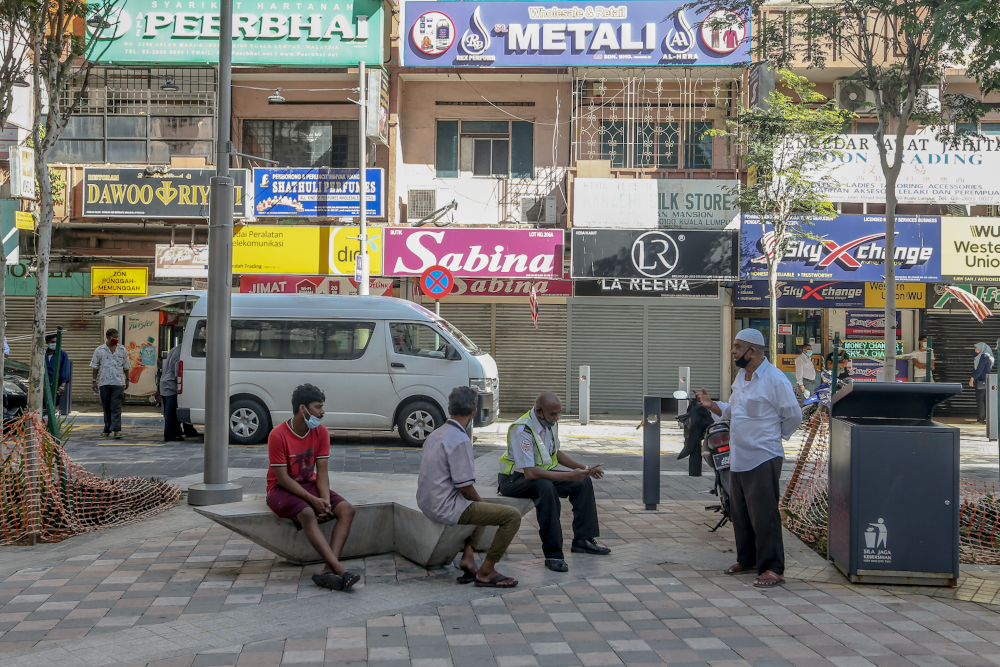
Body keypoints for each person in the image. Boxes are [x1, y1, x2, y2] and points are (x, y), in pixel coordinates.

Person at [693, 328, 802, 588]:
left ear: (752, 351)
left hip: (763, 456)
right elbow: (735, 411)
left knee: (764, 516)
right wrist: (712, 405)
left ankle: (773, 569)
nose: (733, 352)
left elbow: (794, 415)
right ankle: (748, 560)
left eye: (737, 347)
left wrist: (772, 437)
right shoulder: (742, 377)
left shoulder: (775, 380)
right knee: (740, 513)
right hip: (739, 456)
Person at [417, 386, 521, 588]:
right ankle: (487, 571)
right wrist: (480, 501)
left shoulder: (435, 434)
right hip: (444, 506)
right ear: (474, 412)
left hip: (427, 501)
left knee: (483, 507)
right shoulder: (460, 439)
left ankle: (469, 556)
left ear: (449, 409)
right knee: (511, 516)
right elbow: (465, 488)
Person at [498, 391, 609, 573]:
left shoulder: (549, 423)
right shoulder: (522, 429)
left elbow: (555, 453)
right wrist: (568, 476)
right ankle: (553, 554)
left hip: (537, 473)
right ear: (539, 411)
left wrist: (585, 469)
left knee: (582, 483)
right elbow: (531, 473)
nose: (557, 418)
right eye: (553, 414)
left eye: (559, 413)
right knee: (546, 489)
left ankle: (583, 540)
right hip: (513, 479)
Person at [266, 383, 359, 591]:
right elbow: (282, 479)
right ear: (303, 409)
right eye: (318, 407)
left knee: (347, 510)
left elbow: (322, 472)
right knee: (307, 512)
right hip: (280, 490)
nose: (322, 412)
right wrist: (313, 501)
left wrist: (324, 501)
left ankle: (328, 570)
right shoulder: (277, 435)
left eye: (322, 407)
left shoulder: (321, 432)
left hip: (310, 485)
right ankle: (341, 571)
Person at [90, 328, 130, 439]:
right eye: (114, 337)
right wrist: (94, 381)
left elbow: (126, 366)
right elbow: (95, 366)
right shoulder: (99, 350)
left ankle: (116, 430)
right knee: (106, 406)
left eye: (117, 337)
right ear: (107, 337)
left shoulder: (122, 350)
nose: (116, 339)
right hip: (104, 382)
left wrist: (127, 379)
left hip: (118, 382)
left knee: (116, 406)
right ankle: (107, 429)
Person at [159, 343, 183, 442]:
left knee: (169, 410)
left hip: (165, 382)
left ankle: (176, 431)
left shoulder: (175, 349)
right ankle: (169, 434)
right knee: (171, 412)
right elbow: (177, 373)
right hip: (171, 384)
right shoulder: (180, 353)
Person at [971, 343, 995, 424]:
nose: (975, 350)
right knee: (984, 401)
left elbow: (979, 370)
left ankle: (980, 420)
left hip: (982, 381)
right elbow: (972, 354)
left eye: (977, 348)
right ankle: (987, 420)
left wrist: (972, 378)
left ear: (982, 348)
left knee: (980, 401)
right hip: (985, 381)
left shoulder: (984, 356)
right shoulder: (986, 356)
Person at [44, 333, 71, 403]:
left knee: (53, 403)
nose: (55, 344)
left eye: (56, 342)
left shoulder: (62, 354)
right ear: (47, 342)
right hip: (43, 384)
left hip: (56, 384)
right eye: (52, 342)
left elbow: (65, 370)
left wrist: (62, 386)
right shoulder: (43, 354)